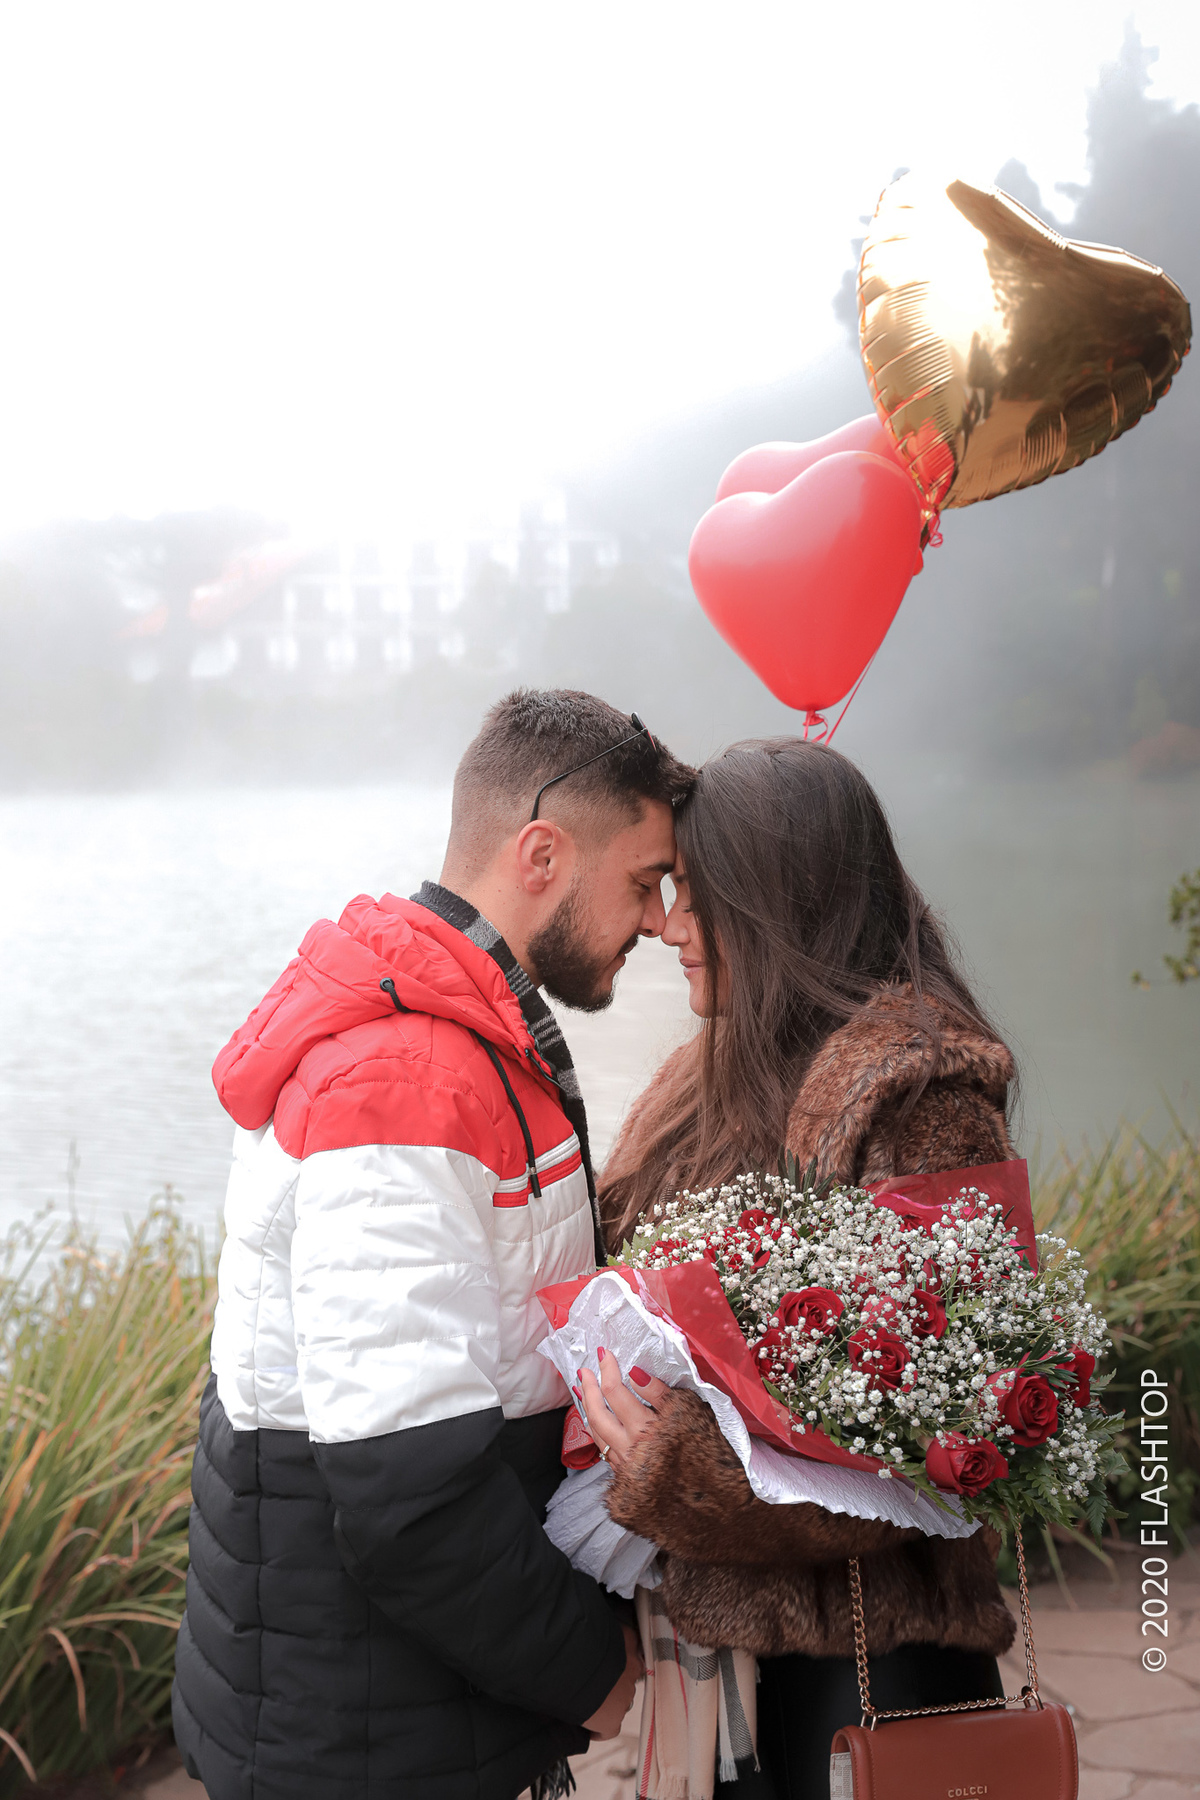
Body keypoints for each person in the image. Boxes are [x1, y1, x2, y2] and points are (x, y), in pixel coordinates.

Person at [172, 689, 694, 1800]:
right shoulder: (406, 1082)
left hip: (393, 1704)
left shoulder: (458, 1026)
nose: (657, 919)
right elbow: (404, 1488)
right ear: (543, 853)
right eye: (645, 880)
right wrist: (588, 1670)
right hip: (364, 1736)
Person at [580, 737, 1019, 1800]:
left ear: (780, 902)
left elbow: (950, 1443)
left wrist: (679, 1475)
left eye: (699, 896)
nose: (671, 927)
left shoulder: (920, 1096)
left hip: (868, 1668)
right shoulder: (705, 1077)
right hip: (720, 1661)